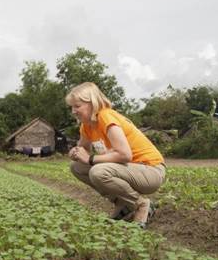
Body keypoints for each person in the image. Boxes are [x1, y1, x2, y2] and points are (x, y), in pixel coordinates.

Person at [66, 82, 165, 228]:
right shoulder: (87, 125)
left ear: (92, 103)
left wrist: (90, 159)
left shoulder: (106, 116)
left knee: (98, 171)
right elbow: (83, 150)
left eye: (77, 106)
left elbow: (125, 155)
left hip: (150, 170)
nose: (73, 111)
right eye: (72, 107)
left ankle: (142, 205)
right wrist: (75, 152)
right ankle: (122, 204)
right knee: (77, 167)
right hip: (129, 169)